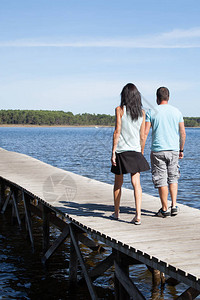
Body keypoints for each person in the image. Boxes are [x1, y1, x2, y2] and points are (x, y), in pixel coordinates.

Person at [111, 83, 150, 225]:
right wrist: (141, 151)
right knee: (136, 184)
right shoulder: (142, 113)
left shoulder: (119, 110)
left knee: (118, 184)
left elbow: (117, 132)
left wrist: (113, 152)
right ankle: (138, 215)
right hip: (135, 151)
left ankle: (116, 213)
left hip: (121, 151)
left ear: (124, 95)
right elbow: (142, 136)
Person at [144, 87, 186, 217]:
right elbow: (183, 133)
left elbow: (145, 133)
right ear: (168, 97)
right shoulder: (177, 112)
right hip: (173, 150)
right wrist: (181, 149)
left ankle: (164, 209)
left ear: (157, 98)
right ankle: (174, 205)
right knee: (173, 177)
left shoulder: (151, 112)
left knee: (161, 179)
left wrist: (140, 150)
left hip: (158, 151)